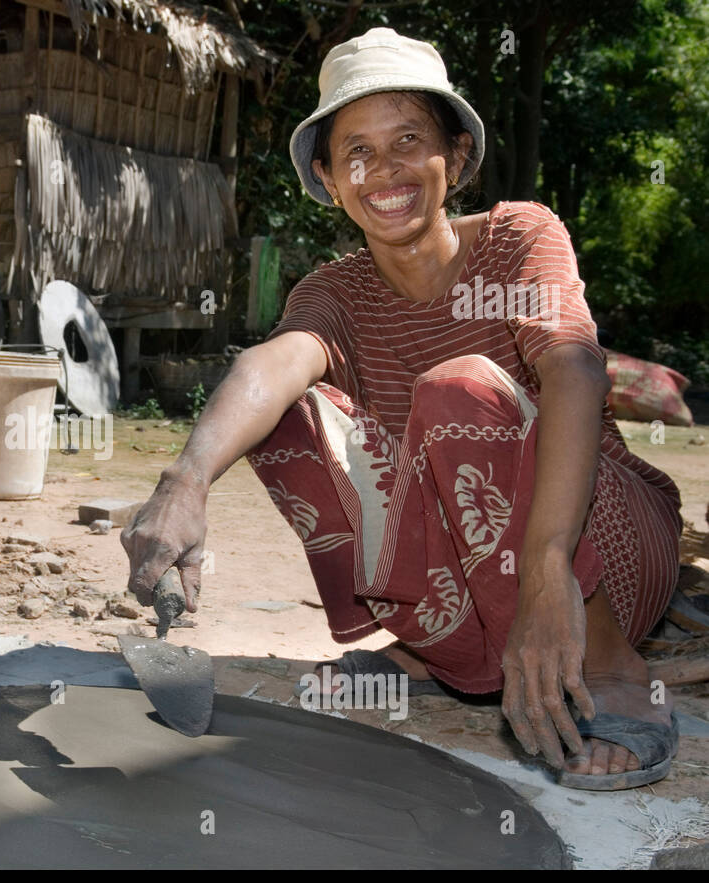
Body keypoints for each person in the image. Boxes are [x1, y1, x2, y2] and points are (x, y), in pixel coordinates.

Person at [121, 27, 682, 790]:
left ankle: (610, 667)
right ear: (328, 176)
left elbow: (575, 366)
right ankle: (438, 648)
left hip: (600, 549)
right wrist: (184, 481)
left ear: (454, 156)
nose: (381, 169)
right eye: (355, 151)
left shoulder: (521, 237)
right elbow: (271, 365)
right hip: (469, 576)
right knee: (286, 411)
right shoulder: (330, 293)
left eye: (407, 140)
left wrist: (549, 564)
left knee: (457, 391)